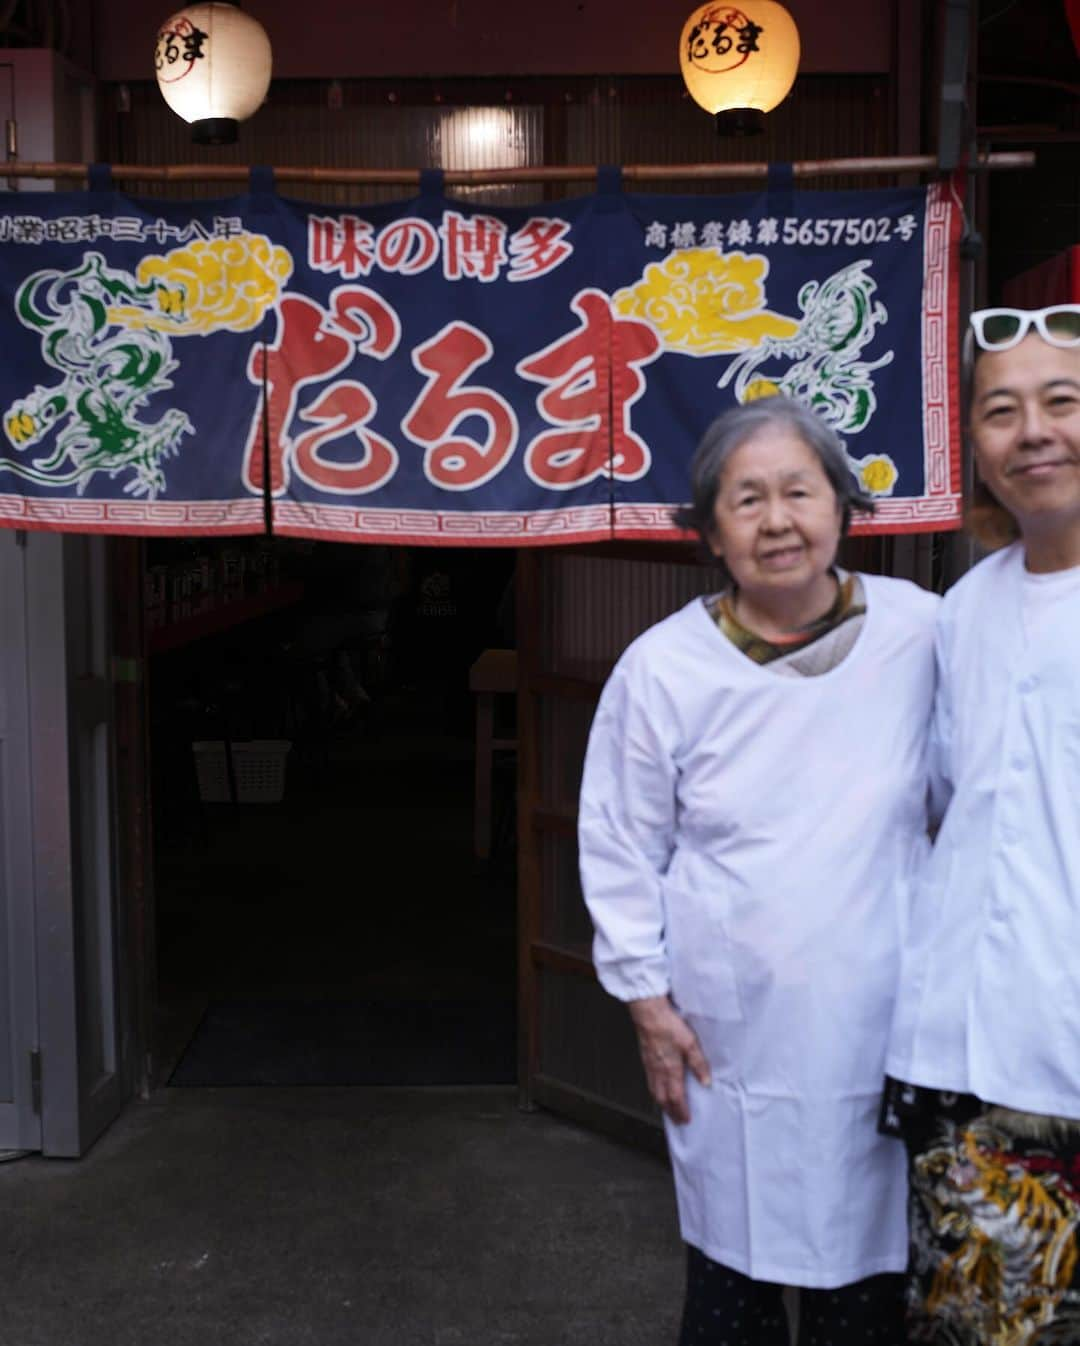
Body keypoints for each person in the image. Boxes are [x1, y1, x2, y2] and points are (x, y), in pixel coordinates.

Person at [578, 395, 939, 1345]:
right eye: (747, 500)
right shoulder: (663, 670)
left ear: (842, 508)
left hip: (891, 1025)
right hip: (729, 1036)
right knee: (731, 1281)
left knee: (867, 1292)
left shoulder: (925, 633)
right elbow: (618, 845)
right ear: (709, 532)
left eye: (798, 491)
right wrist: (647, 1006)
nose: (778, 521)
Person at [883, 302, 1080, 1345]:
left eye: (1063, 401)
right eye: (1001, 410)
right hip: (961, 1057)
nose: (1033, 431)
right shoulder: (962, 606)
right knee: (976, 1330)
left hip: (1067, 1049)